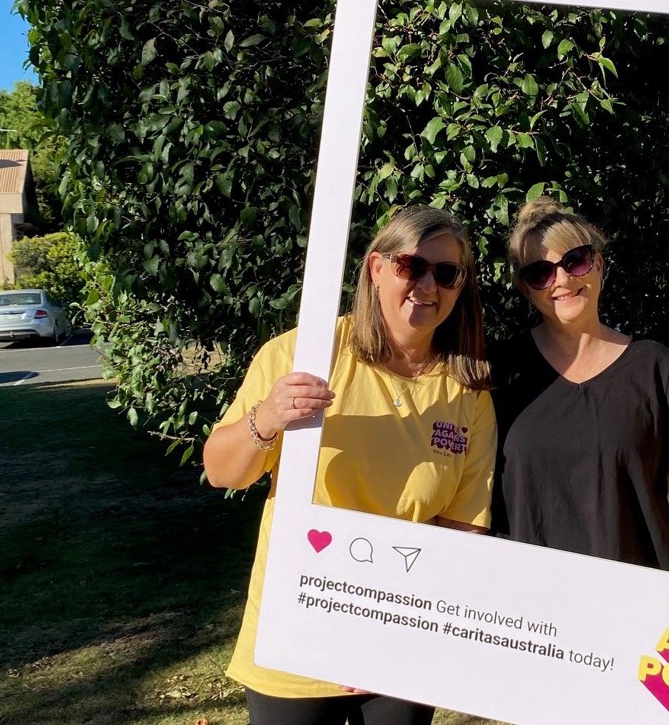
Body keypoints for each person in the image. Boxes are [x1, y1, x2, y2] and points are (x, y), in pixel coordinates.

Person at [203, 205, 496, 725]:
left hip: (400, 643)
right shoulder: (307, 353)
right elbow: (225, 471)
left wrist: (395, 637)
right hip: (294, 636)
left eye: (446, 273)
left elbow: (461, 532)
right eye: (413, 266)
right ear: (377, 268)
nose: (428, 285)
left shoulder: (467, 390)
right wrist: (267, 417)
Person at [488, 196, 669, 571]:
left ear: (598, 264)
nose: (564, 280)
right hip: (530, 604)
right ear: (525, 288)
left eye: (575, 261)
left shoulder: (654, 366)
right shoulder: (500, 372)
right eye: (541, 272)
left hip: (638, 601)